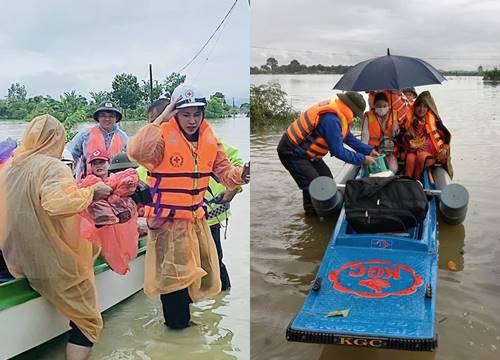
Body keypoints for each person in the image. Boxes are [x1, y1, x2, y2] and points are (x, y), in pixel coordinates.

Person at [127, 84, 249, 330]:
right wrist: (164, 115)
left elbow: (225, 172)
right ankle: (177, 328)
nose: (192, 120)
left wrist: (242, 175)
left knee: (195, 274)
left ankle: (184, 329)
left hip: (195, 221)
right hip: (167, 222)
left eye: (197, 113)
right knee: (173, 279)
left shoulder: (209, 139)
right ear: (175, 114)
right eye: (185, 114)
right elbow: (137, 152)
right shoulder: (161, 137)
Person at [0, 114, 112, 360]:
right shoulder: (52, 166)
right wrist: (92, 192)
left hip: (11, 258)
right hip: (43, 260)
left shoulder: (10, 167)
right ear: (58, 140)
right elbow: (57, 205)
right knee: (88, 321)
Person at [146, 97, 242, 291]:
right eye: (152, 121)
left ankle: (221, 301)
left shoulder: (208, 140)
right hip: (176, 222)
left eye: (159, 119)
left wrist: (233, 188)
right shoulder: (158, 148)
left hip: (210, 214)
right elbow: (144, 179)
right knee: (182, 268)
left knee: (212, 260)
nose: (156, 125)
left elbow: (236, 165)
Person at [277, 91, 378, 214]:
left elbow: (348, 138)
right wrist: (362, 159)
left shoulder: (340, 115)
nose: (355, 117)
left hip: (308, 154)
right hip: (292, 152)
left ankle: (320, 211)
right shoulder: (331, 119)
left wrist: (369, 150)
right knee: (315, 184)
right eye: (356, 114)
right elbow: (338, 151)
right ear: (350, 108)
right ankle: (311, 216)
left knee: (327, 179)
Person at [78, 149, 139, 275]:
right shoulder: (86, 185)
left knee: (123, 248)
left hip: (122, 229)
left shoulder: (121, 181)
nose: (99, 166)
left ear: (108, 163)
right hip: (101, 231)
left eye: (101, 162)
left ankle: (121, 264)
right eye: (95, 163)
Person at [67, 101, 128, 180]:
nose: (107, 119)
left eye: (111, 116)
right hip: (88, 181)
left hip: (115, 181)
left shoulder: (124, 137)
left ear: (116, 118)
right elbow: (70, 155)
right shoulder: (85, 134)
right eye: (103, 116)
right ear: (98, 117)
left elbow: (130, 159)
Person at [402, 91, 452, 180]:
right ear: (415, 106)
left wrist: (444, 150)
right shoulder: (408, 120)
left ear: (428, 108)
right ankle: (407, 182)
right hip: (413, 150)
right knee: (410, 158)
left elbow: (448, 135)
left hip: (429, 152)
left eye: (425, 106)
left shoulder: (435, 121)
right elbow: (401, 138)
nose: (421, 109)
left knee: (421, 157)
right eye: (419, 106)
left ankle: (417, 182)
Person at [362, 92, 399, 172]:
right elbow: (365, 137)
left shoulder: (394, 115)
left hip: (389, 150)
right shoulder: (368, 117)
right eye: (378, 106)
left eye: (384, 106)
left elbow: (397, 134)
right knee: (375, 169)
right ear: (374, 106)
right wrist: (365, 153)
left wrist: (396, 130)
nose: (382, 108)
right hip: (373, 151)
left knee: (393, 169)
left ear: (388, 106)